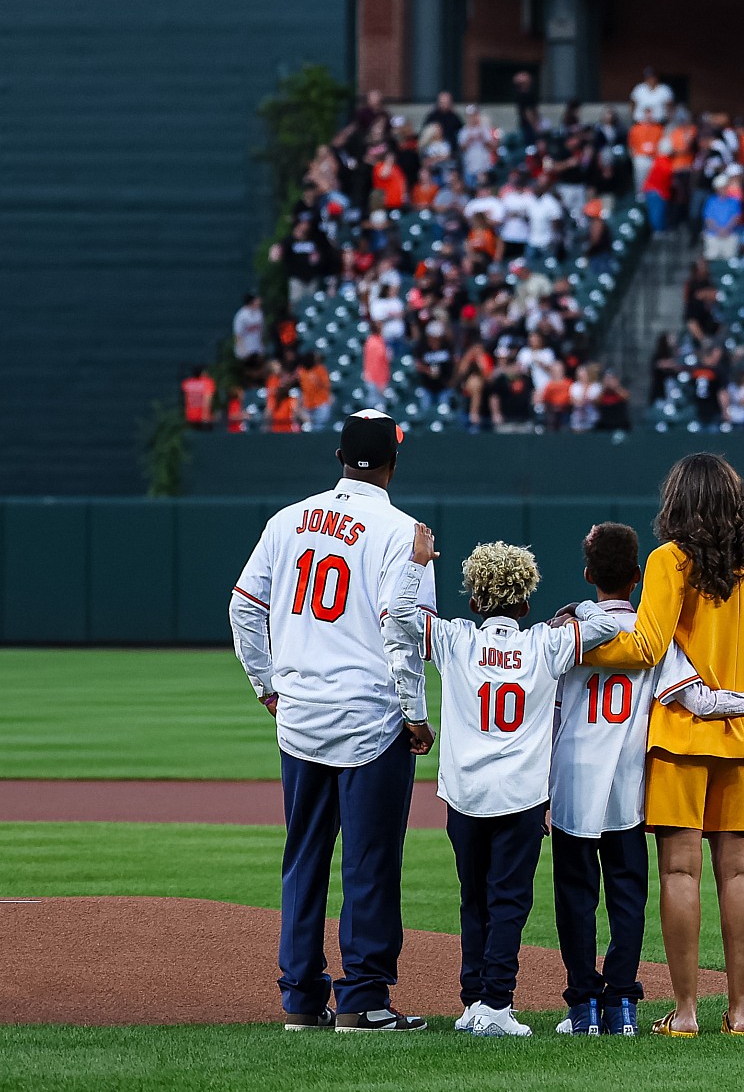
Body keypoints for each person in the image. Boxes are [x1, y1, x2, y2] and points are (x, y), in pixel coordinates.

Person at [225, 411, 435, 1031]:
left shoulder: (287, 520)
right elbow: (406, 630)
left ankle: (300, 998)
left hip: (299, 717)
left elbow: (243, 609)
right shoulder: (406, 533)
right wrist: (417, 715)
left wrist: (267, 685)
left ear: (340, 455)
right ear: (395, 463)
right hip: (371, 717)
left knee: (305, 855)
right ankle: (365, 999)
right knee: (370, 859)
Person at [579, 454, 744, 1036]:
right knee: (740, 873)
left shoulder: (671, 560)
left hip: (680, 739)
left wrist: (578, 646)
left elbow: (645, 646)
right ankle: (741, 1012)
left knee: (679, 874)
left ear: (677, 503)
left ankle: (687, 1012)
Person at [389, 538, 588, 1037]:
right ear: (524, 603)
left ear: (475, 601)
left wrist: (415, 564)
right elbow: (611, 625)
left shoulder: (455, 638)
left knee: (473, 899)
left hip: (465, 796)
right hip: (521, 797)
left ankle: (474, 1000)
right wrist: (576, 613)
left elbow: (398, 610)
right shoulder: (546, 642)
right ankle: (496, 1006)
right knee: (509, 903)